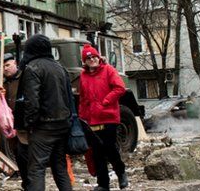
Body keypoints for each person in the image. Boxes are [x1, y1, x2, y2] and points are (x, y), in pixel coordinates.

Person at [17, 34, 71, 191]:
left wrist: (29, 123)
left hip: (43, 126)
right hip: (62, 124)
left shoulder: (33, 68)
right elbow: (68, 97)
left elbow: (32, 101)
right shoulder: (60, 68)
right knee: (60, 167)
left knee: (36, 169)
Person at [78, 44, 129, 191]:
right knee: (97, 152)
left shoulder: (108, 70)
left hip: (108, 117)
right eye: (88, 58)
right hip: (92, 119)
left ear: (98, 57)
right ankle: (103, 184)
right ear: (85, 61)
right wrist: (82, 117)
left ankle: (121, 172)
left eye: (94, 56)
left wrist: (105, 102)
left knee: (109, 148)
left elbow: (119, 88)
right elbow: (83, 99)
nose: (92, 59)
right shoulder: (83, 76)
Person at [0, 54, 29, 190]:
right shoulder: (1, 84)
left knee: (27, 157)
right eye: (3, 67)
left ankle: (30, 184)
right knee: (18, 156)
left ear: (15, 63)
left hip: (25, 126)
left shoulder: (25, 79)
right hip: (10, 128)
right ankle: (26, 183)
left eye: (8, 65)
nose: (5, 69)